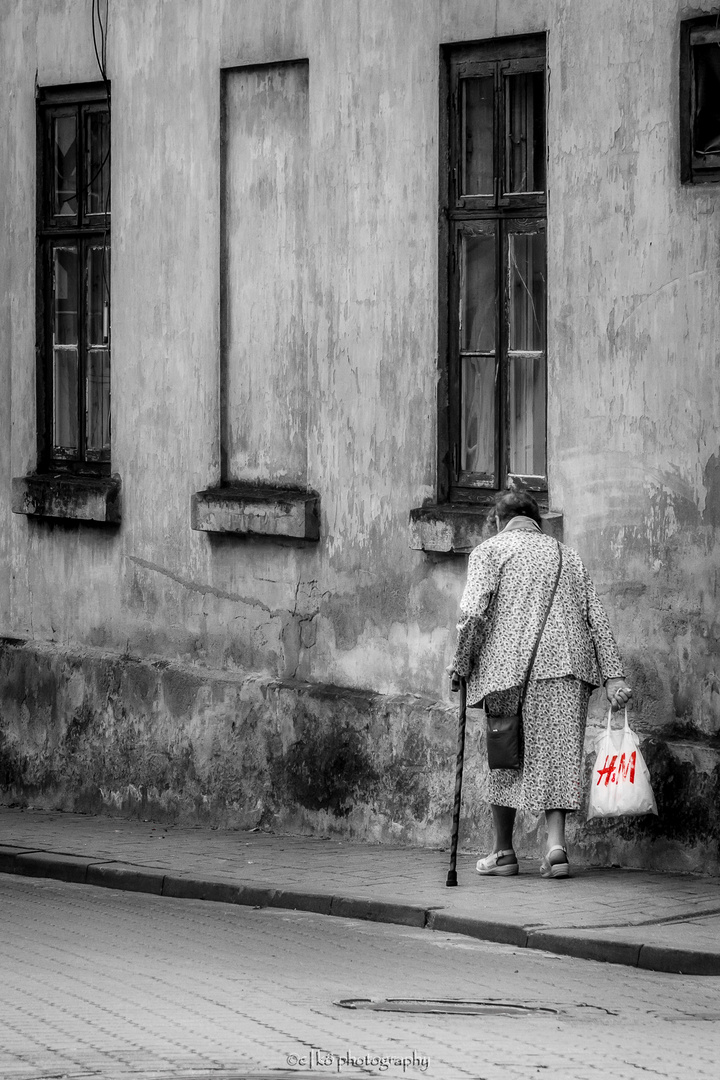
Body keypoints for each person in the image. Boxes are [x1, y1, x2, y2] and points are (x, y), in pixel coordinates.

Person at [446, 491, 632, 879]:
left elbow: (472, 614)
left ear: (498, 521)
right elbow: (595, 616)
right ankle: (556, 847)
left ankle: (503, 853)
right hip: (568, 668)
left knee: (505, 754)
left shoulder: (489, 551)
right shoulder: (568, 556)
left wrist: (460, 664)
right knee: (559, 756)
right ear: (536, 520)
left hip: (507, 673)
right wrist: (613, 674)